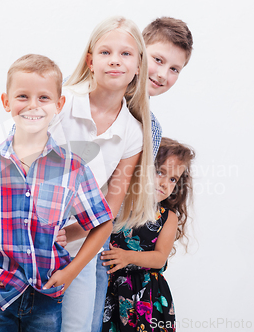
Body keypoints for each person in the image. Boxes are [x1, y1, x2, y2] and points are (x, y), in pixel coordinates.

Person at [0, 54, 114, 332]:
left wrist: (71, 272)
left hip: (46, 297)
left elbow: (103, 223)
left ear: (59, 105)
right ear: (6, 102)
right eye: (23, 96)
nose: (33, 106)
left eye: (44, 98)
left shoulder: (73, 168)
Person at [49, 16, 156, 332]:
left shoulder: (134, 133)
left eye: (126, 54)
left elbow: (110, 204)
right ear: (90, 61)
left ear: (139, 66)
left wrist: (68, 235)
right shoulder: (62, 103)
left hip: (81, 246)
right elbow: (22, 166)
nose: (115, 61)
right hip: (31, 238)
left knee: (76, 327)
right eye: (106, 52)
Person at [91, 16, 194, 332]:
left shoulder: (152, 129)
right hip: (50, 230)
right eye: (158, 60)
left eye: (175, 69)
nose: (163, 74)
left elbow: (121, 195)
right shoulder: (85, 94)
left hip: (96, 244)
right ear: (137, 53)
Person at [101, 137, 195, 332]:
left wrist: (128, 256)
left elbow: (160, 258)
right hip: (111, 290)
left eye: (172, 179)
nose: (164, 183)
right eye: (159, 172)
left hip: (147, 296)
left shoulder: (167, 218)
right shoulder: (117, 204)